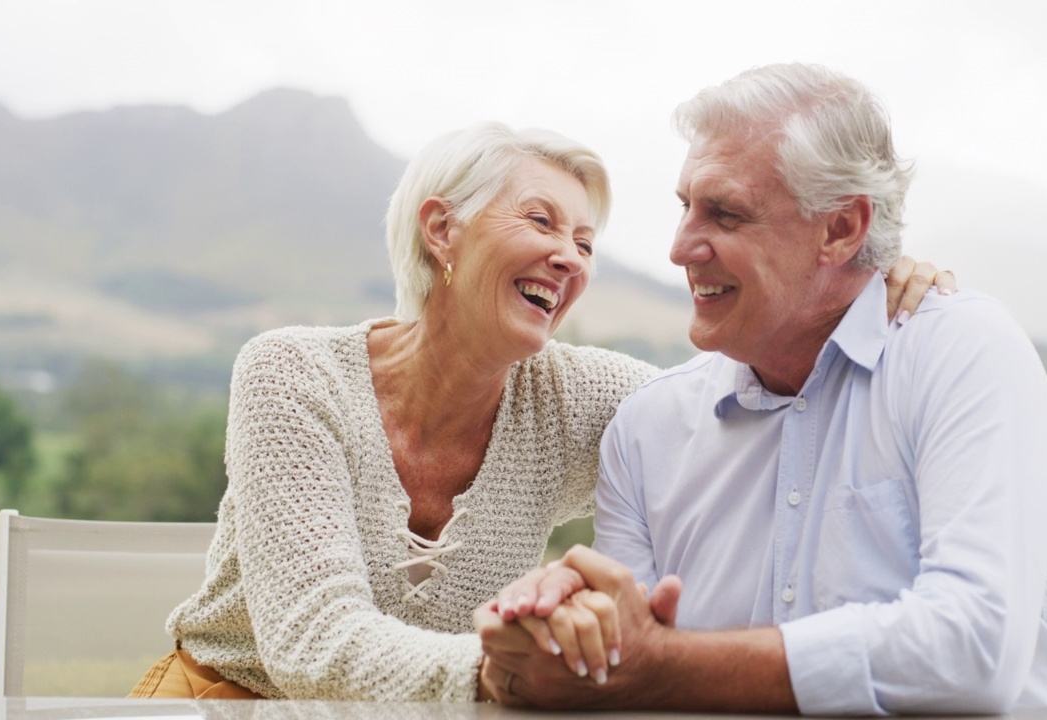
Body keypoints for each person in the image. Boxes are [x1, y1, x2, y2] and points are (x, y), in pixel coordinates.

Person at [128, 120, 949, 701]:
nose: (569, 256)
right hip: (224, 700)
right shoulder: (292, 373)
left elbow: (744, 403)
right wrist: (499, 675)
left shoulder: (584, 397)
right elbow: (311, 643)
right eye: (541, 220)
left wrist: (852, 281)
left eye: (586, 243)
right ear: (441, 231)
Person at [477, 63, 1047, 715]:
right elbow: (621, 671)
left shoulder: (962, 352)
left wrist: (659, 664)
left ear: (841, 229)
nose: (680, 248)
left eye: (724, 213)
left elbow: (972, 650)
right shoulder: (649, 428)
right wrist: (549, 638)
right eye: (685, 207)